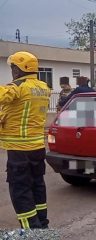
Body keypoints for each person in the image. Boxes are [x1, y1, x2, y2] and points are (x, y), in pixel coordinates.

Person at [1, 51, 50, 229]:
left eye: (13, 67)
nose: (12, 71)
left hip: (19, 149)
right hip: (37, 147)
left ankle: (32, 231)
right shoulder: (44, 87)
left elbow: (4, 95)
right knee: (37, 186)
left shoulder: (17, 87)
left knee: (20, 191)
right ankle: (42, 225)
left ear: (19, 69)